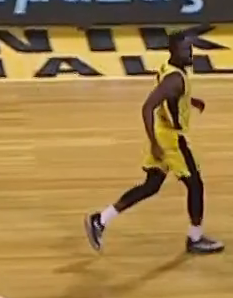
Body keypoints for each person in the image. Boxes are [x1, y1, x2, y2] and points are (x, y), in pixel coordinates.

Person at [85, 31, 225, 255]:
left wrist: (189, 101)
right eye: (185, 50)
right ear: (173, 51)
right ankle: (195, 238)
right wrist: (154, 144)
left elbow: (170, 97)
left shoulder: (169, 70)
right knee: (195, 184)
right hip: (170, 139)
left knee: (151, 186)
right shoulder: (174, 79)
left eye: (190, 49)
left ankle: (101, 220)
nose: (189, 53)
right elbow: (147, 107)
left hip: (163, 131)